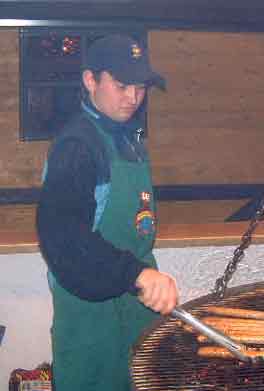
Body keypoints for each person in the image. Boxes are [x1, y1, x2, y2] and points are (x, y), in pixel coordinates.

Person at [36, 34, 179, 391]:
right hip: (91, 317)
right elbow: (66, 240)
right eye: (121, 85)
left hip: (134, 306)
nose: (133, 97)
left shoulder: (128, 137)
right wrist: (137, 274)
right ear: (90, 80)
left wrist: (143, 277)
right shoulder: (77, 146)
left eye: (140, 87)